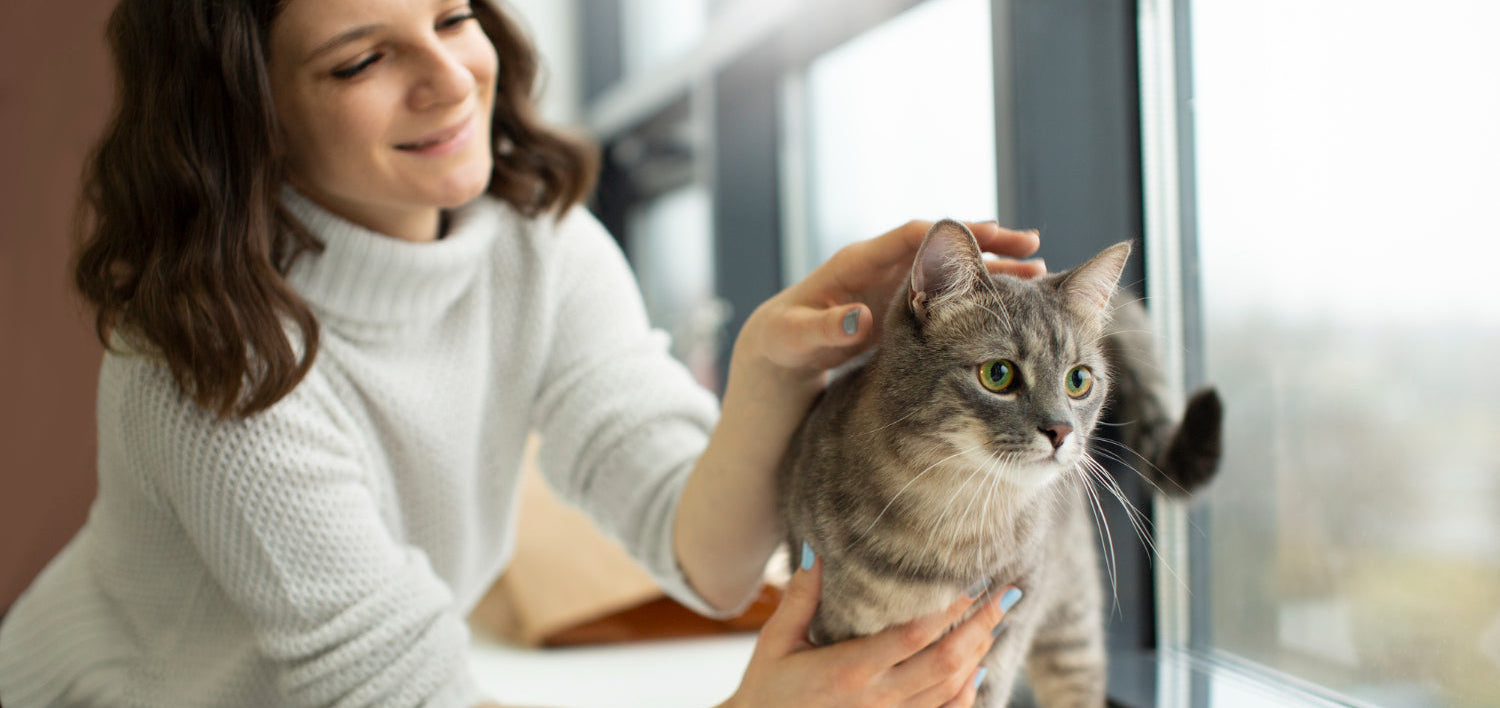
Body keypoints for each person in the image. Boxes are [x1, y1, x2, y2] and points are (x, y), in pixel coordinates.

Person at [0, 0, 1046, 706]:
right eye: (364, 58)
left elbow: (710, 562)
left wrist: (778, 369)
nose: (450, 79)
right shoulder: (203, 360)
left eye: (452, 14)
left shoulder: (533, 240)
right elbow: (394, 686)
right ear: (249, 118)